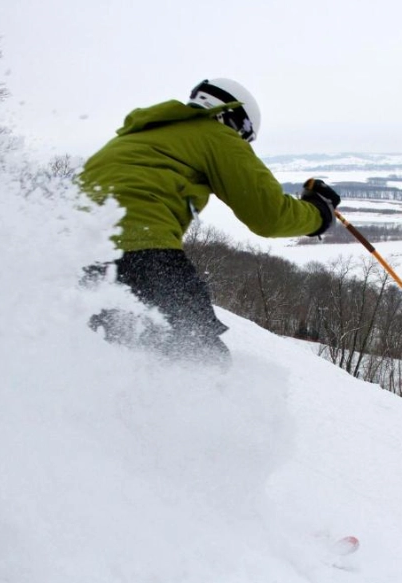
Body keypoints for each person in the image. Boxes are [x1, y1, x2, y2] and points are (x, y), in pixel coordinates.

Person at [78, 77, 341, 366]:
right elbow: (269, 216)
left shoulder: (133, 137)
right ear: (235, 121)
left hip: (78, 259)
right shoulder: (216, 134)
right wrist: (320, 214)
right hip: (142, 251)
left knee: (116, 356)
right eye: (245, 137)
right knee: (198, 359)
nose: (242, 143)